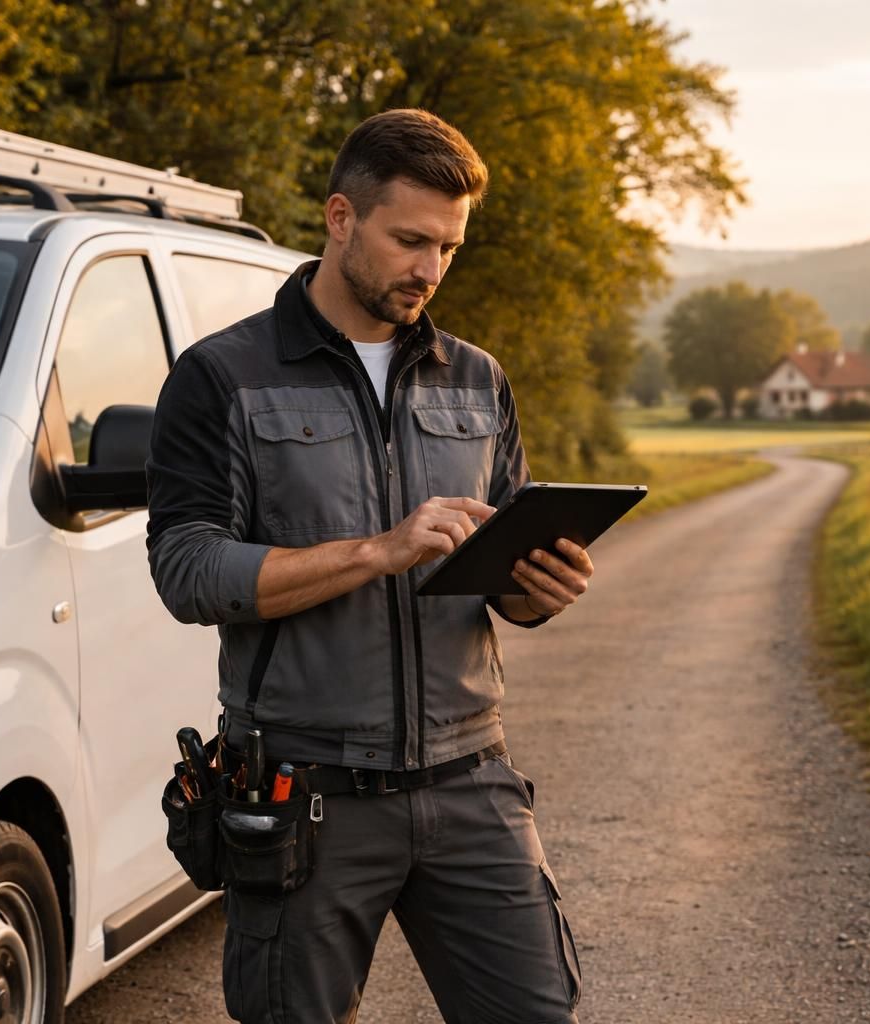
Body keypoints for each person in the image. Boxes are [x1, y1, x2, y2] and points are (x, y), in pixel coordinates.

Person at [146, 108, 589, 1024]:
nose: (430, 269)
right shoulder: (221, 376)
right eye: (411, 240)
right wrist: (376, 552)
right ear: (341, 219)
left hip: (472, 779)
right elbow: (187, 570)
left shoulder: (478, 378)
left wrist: (533, 589)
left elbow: (501, 557)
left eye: (450, 249)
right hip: (307, 793)